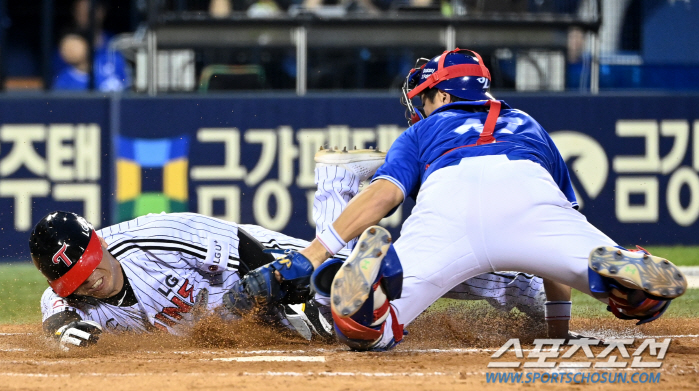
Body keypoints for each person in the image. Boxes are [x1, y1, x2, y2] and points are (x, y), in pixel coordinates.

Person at [251, 48, 689, 351]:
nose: (419, 106)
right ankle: (625, 278)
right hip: (528, 195)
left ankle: (373, 295)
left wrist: (314, 252)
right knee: (633, 295)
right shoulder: (525, 122)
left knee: (364, 330)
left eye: (425, 97)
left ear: (442, 95)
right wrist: (557, 331)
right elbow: (563, 216)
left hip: (449, 205)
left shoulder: (422, 130)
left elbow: (382, 194)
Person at [32, 147, 546, 350]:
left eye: (90, 264)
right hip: (240, 314)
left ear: (100, 244)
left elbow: (241, 250)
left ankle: (515, 283)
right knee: (347, 329)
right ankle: (336, 194)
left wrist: (271, 296)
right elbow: (52, 308)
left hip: (262, 266)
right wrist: (59, 325)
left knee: (358, 297)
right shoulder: (73, 299)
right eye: (76, 280)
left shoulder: (154, 236)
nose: (91, 280)